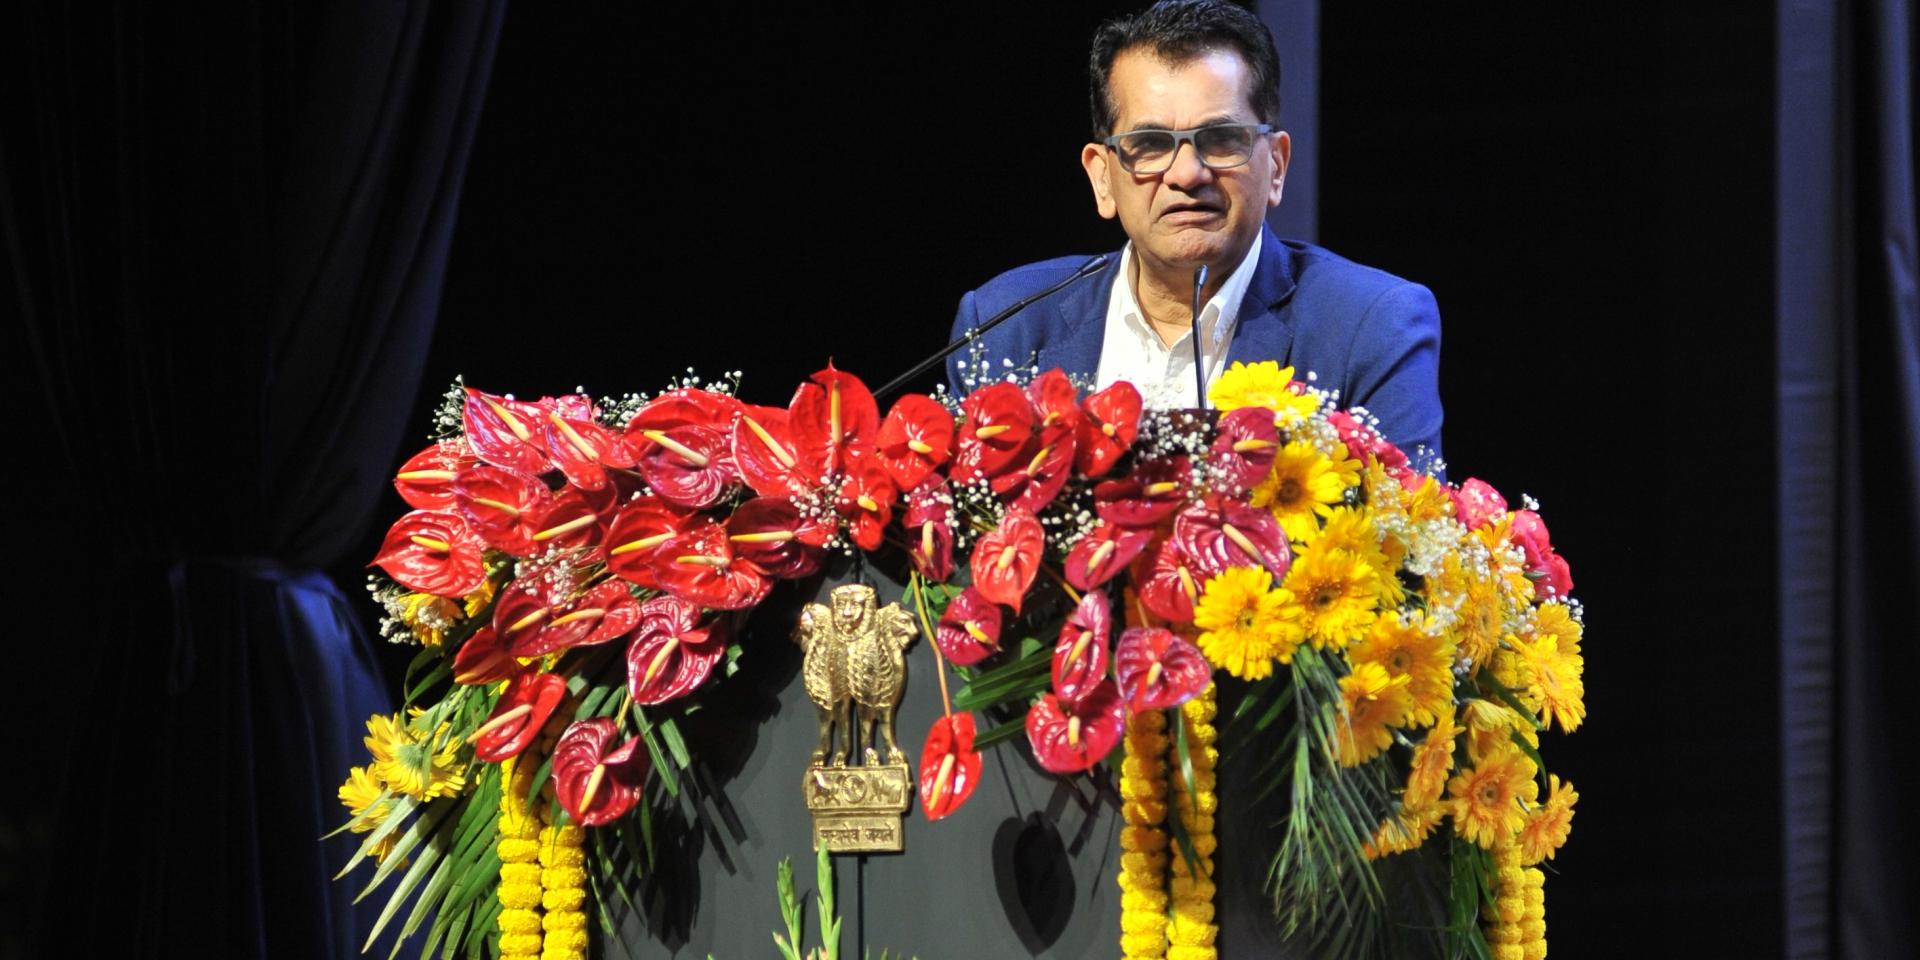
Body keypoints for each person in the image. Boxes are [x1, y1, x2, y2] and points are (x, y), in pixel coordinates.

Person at [947, 0, 1444, 465]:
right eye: (1149, 143)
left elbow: (1398, 548)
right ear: (1102, 177)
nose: (1187, 174)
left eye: (1222, 139)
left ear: (1276, 166)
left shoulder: (1370, 326)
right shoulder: (1002, 326)